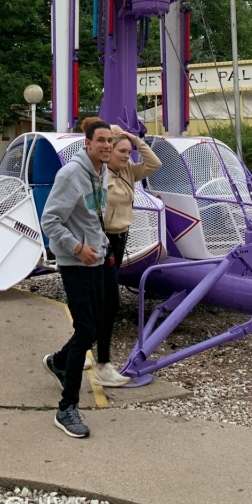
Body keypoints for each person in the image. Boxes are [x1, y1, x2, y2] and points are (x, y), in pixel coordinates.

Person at [40, 119, 112, 439]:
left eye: (110, 141)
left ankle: (58, 361)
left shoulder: (101, 172)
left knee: (95, 327)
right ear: (87, 143)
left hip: (95, 260)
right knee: (86, 330)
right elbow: (50, 220)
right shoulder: (71, 174)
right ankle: (67, 407)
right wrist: (77, 247)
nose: (107, 146)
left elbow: (94, 216)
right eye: (101, 141)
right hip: (75, 262)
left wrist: (103, 247)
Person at [96, 126, 162, 388]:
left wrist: (135, 139)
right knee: (108, 299)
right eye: (122, 151)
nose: (127, 156)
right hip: (105, 239)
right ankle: (99, 361)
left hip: (121, 236)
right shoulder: (99, 176)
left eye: (129, 152)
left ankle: (82, 354)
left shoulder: (128, 172)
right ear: (109, 150)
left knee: (105, 297)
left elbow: (154, 163)